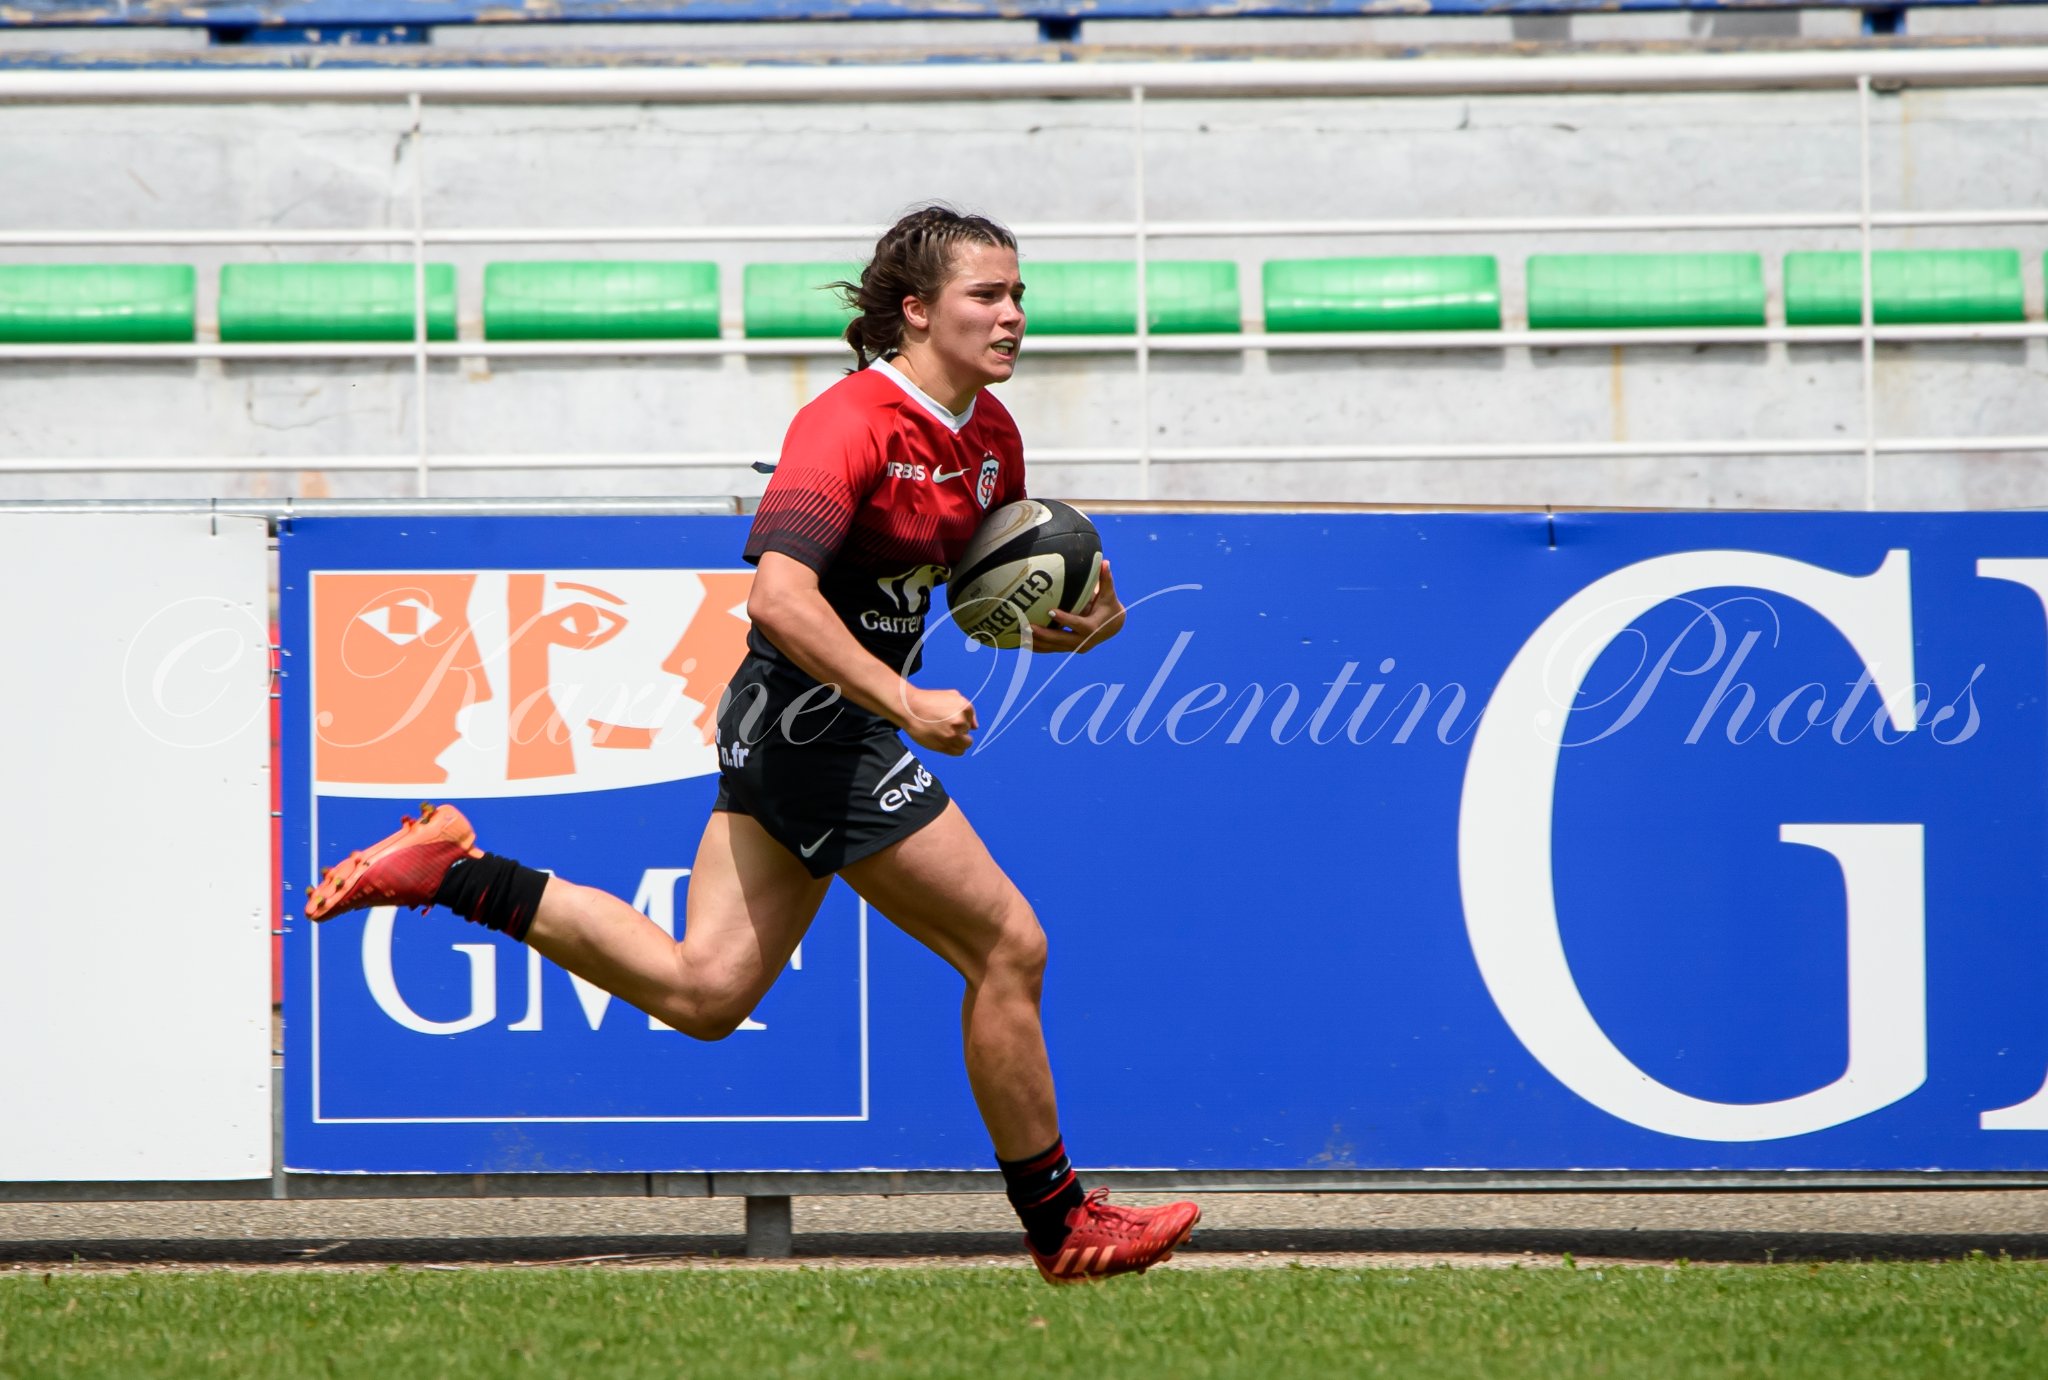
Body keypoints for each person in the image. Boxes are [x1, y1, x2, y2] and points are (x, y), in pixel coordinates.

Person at [305, 205, 1201, 1284]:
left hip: (805, 723)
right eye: (986, 296)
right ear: (915, 313)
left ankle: (457, 871)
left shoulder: (991, 441)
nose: (1012, 317)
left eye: (1019, 297)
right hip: (817, 721)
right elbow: (777, 598)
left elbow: (984, 604)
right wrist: (903, 703)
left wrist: (1077, 627)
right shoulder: (850, 422)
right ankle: (1060, 1225)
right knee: (1007, 946)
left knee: (705, 993)